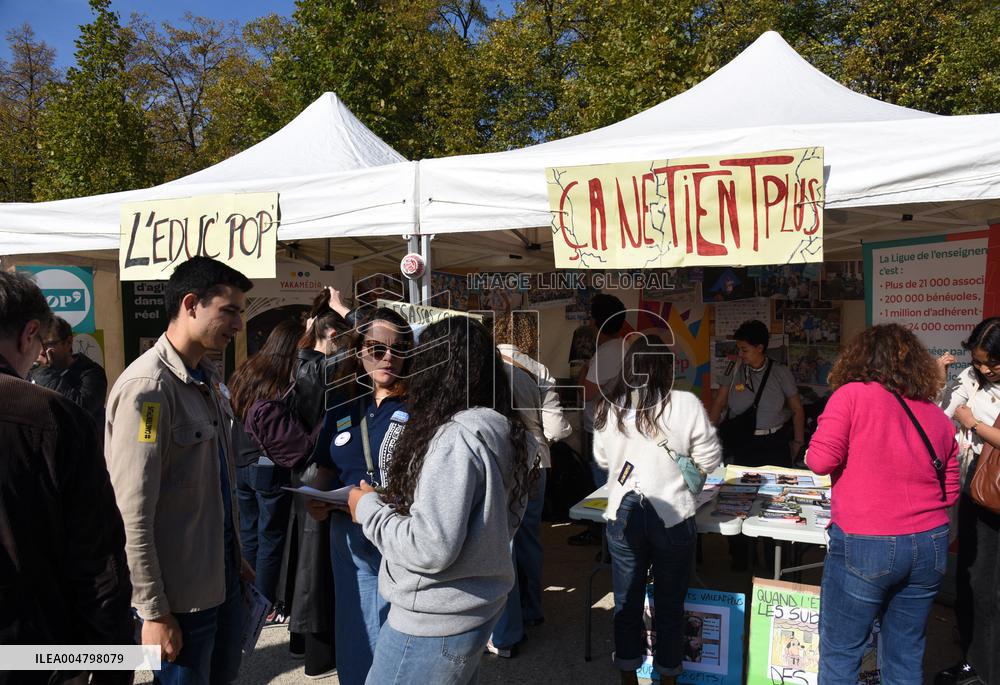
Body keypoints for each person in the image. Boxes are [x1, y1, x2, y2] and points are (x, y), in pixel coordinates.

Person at [347, 316, 536, 685]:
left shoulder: (456, 438)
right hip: (471, 610)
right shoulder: (505, 431)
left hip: (431, 619)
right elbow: (503, 519)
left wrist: (368, 508)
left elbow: (430, 547)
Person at [105, 256, 254, 684]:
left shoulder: (203, 378)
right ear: (191, 304)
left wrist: (235, 555)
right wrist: (153, 610)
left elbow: (211, 486)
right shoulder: (150, 389)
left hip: (220, 583)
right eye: (230, 310)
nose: (239, 325)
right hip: (182, 603)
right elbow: (132, 512)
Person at [806, 324, 959, 684]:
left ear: (860, 358)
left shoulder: (851, 396)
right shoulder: (935, 414)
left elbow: (819, 461)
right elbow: (950, 493)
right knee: (905, 653)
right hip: (930, 544)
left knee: (842, 651)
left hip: (866, 540)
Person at [0, 272, 133, 685]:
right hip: (33, 655)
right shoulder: (51, 417)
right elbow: (99, 560)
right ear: (29, 334)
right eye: (39, 347)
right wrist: (113, 663)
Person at [592, 335, 722, 685]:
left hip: (624, 511)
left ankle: (628, 676)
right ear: (666, 369)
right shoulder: (684, 405)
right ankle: (668, 676)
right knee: (670, 603)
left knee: (626, 600)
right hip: (673, 513)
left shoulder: (610, 405)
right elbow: (710, 458)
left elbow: (603, 459)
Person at [305, 307, 413, 685]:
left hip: (397, 531)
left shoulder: (419, 405)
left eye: (397, 349)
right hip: (346, 535)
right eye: (376, 348)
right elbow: (326, 467)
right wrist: (316, 498)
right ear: (358, 351)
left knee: (394, 622)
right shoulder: (343, 405)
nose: (387, 358)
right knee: (354, 623)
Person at [489, 311, 572, 657]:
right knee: (529, 538)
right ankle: (533, 610)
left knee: (500, 542)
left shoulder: (485, 365)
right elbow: (555, 430)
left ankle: (507, 626)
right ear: (528, 337)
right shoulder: (539, 371)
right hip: (536, 462)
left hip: (497, 462)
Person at [284, 287, 354, 677]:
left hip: (307, 472)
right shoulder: (318, 369)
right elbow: (371, 336)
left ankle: (302, 645)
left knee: (307, 563)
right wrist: (346, 311)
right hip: (319, 472)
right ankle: (318, 655)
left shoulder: (301, 364)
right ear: (331, 337)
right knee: (316, 567)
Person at [709, 319, 805, 571]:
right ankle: (741, 559)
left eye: (745, 349)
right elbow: (719, 404)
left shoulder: (780, 372)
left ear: (760, 347)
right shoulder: (734, 370)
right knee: (738, 502)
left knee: (776, 501)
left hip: (773, 443)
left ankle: (775, 560)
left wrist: (798, 440)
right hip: (743, 444)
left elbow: (796, 409)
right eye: (739, 349)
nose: (740, 354)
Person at [938, 317, 1000, 685]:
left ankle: (988, 670)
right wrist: (939, 383)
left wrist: (972, 423)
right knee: (970, 576)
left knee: (990, 587)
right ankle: (972, 661)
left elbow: (964, 419)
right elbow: (942, 414)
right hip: (973, 483)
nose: (985, 369)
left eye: (991, 362)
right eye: (978, 361)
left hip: (995, 490)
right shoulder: (972, 378)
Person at [228, 320, 304, 607]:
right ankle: (265, 601)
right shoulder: (282, 380)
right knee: (270, 535)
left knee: (249, 531)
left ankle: (249, 597)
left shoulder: (247, 370)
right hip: (266, 463)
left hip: (240, 460)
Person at [569, 293, 628, 546]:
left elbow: (586, 393)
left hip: (603, 431)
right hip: (620, 427)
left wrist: (584, 368)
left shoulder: (606, 353)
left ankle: (607, 540)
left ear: (596, 322)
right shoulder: (626, 346)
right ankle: (608, 536)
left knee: (602, 489)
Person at [30, 314, 108, 429]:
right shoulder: (29, 371)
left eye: (48, 345)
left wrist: (44, 372)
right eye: (38, 344)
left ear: (68, 342)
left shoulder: (92, 373)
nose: (42, 351)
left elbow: (80, 409)